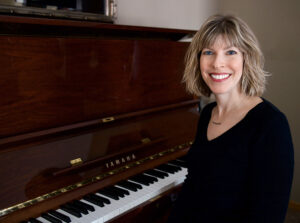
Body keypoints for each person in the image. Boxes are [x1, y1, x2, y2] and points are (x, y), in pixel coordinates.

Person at [167, 14, 294, 223]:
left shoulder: (271, 125)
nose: (217, 63)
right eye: (209, 52)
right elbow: (194, 186)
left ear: (247, 58)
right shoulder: (208, 113)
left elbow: (268, 215)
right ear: (198, 60)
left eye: (230, 52)